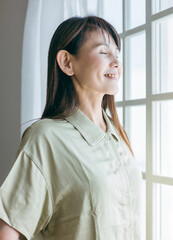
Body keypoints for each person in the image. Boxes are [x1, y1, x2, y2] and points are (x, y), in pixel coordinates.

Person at [0, 16, 142, 240]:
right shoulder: (45, 137)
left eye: (117, 53)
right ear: (67, 62)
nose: (116, 62)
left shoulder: (118, 135)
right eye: (104, 52)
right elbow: (8, 229)